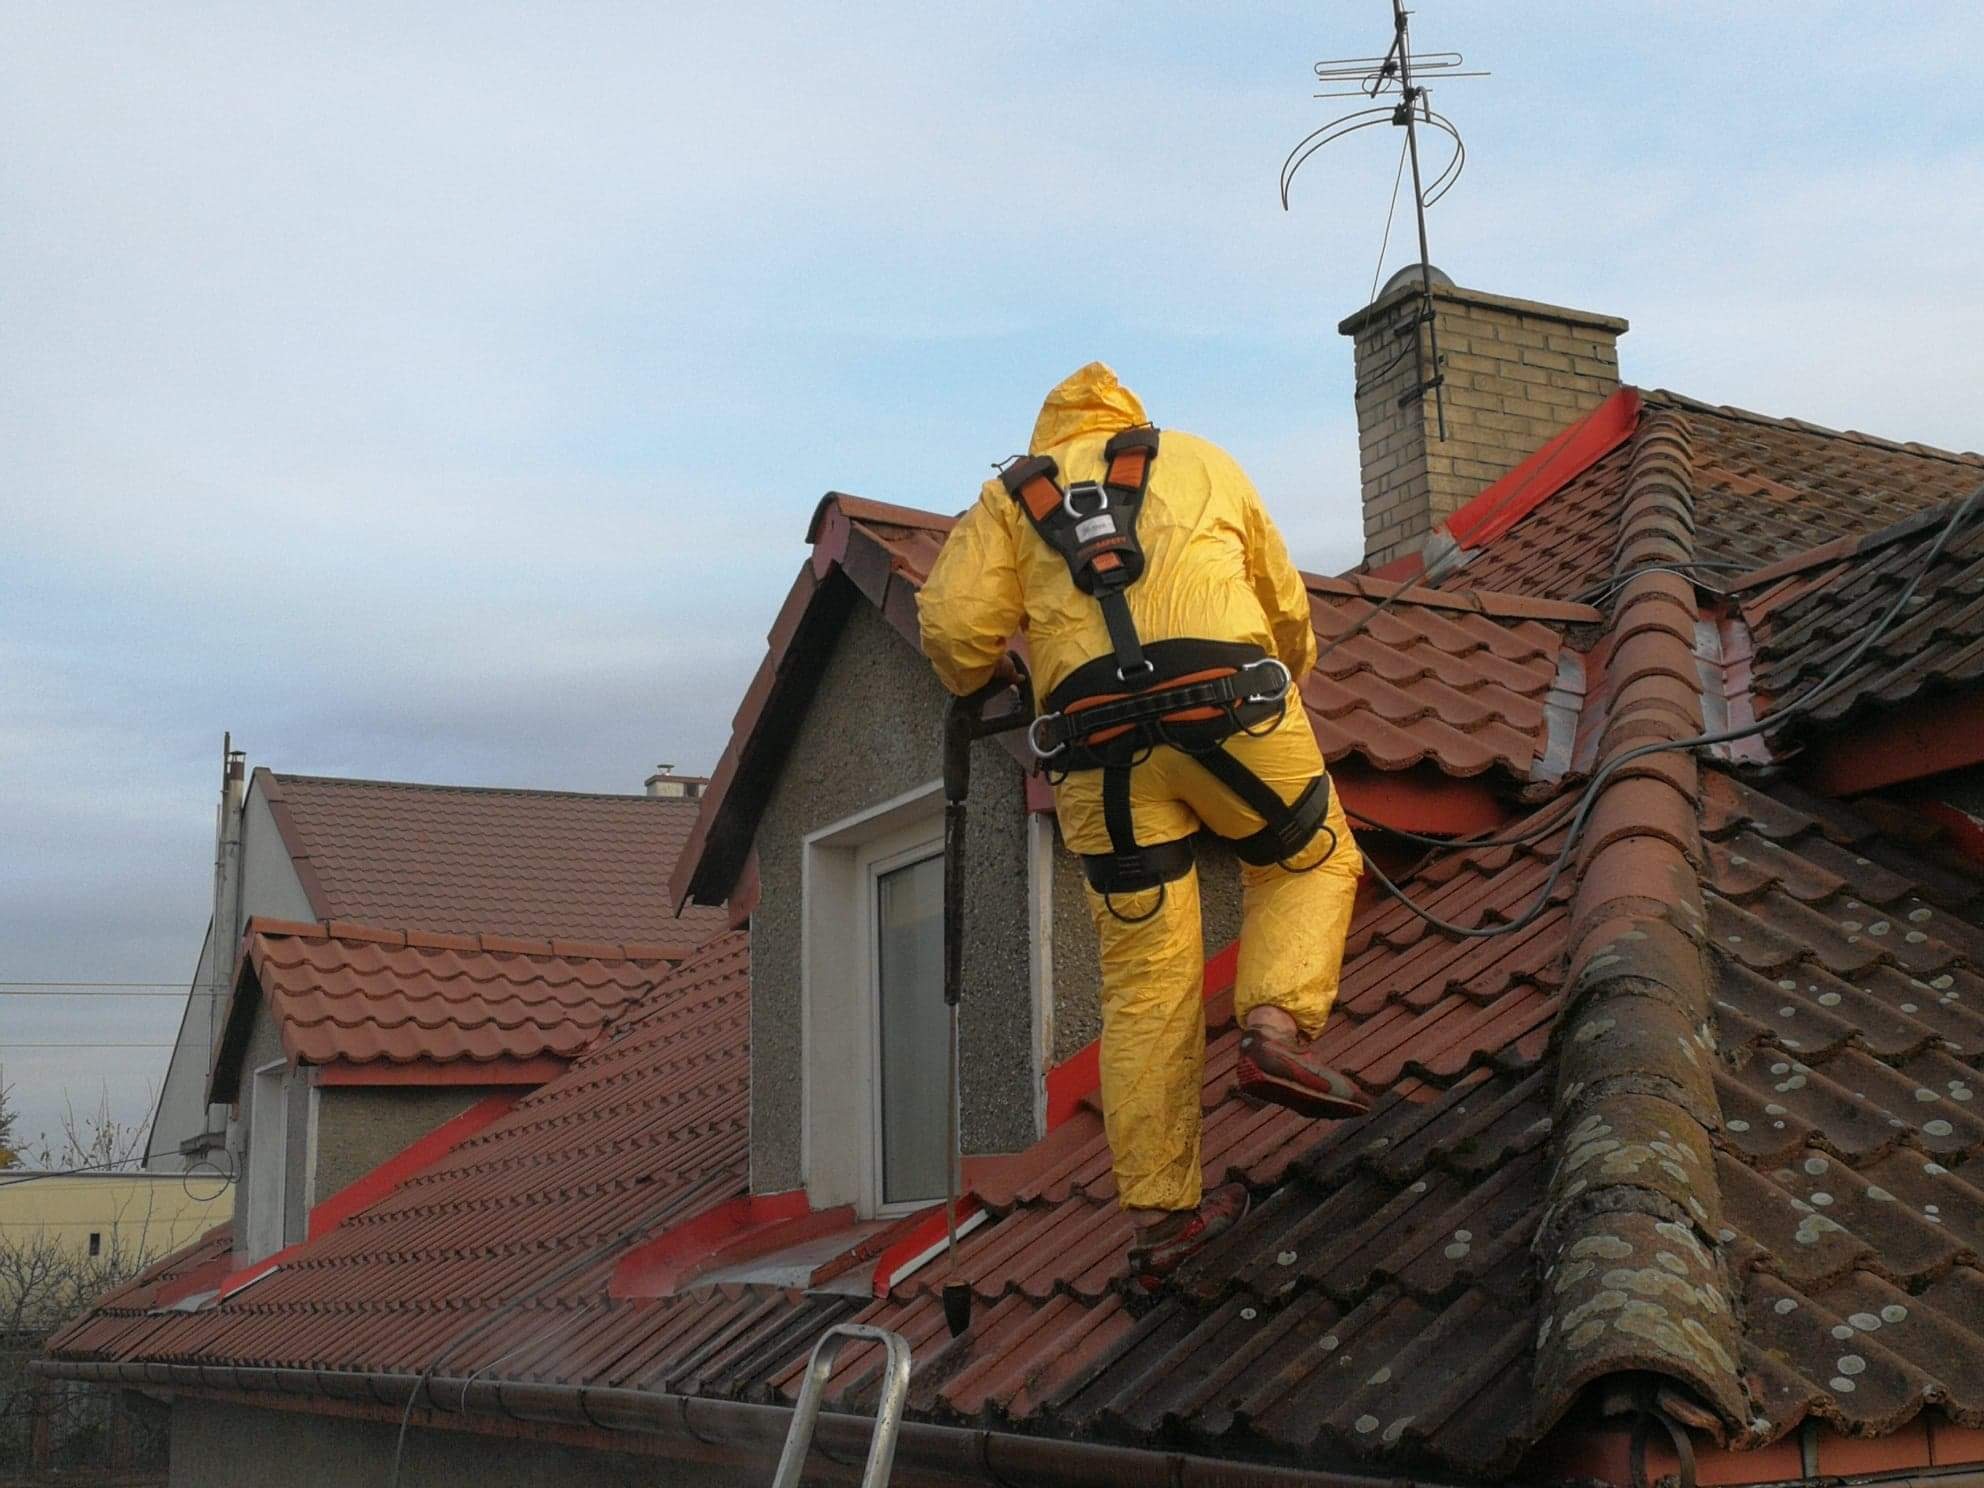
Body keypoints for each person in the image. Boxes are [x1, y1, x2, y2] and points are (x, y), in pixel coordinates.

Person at [918, 362, 1367, 1288]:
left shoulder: (1010, 498)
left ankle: (1163, 1222)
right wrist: (1288, 682)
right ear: (1133, 423)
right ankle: (1274, 1028)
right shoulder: (1202, 461)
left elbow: (957, 631)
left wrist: (989, 677)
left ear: (1052, 434)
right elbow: (1286, 610)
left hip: (1095, 749)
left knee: (1145, 982)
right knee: (1309, 857)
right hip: (1232, 705)